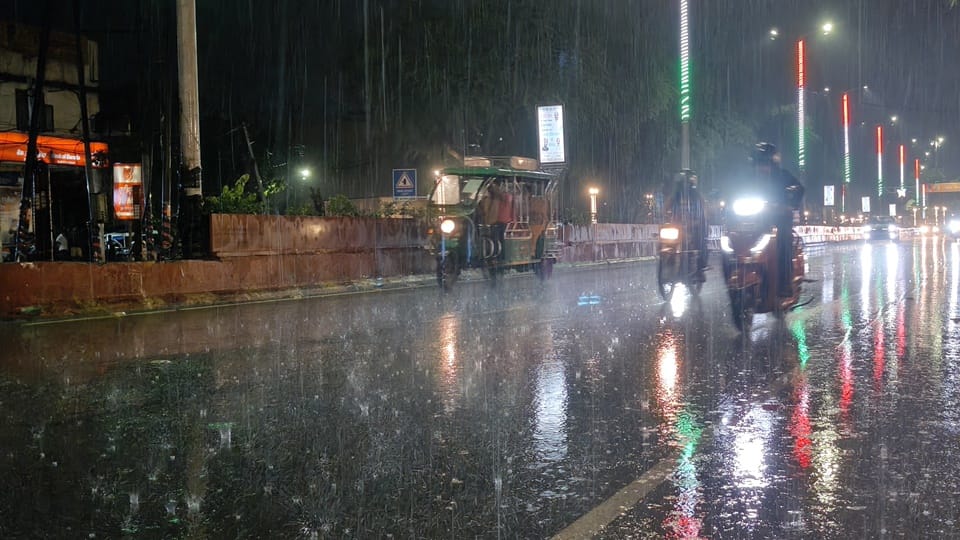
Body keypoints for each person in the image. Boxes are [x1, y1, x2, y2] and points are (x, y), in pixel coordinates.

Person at [751, 142, 804, 297]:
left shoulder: (784, 176)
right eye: (759, 163)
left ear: (773, 164)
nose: (762, 168)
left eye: (765, 164)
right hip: (755, 221)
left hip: (779, 220)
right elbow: (736, 192)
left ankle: (785, 282)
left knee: (783, 240)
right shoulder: (749, 179)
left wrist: (789, 205)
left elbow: (799, 189)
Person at [666, 169, 708, 275]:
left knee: (700, 242)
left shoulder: (697, 196)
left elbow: (704, 210)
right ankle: (669, 261)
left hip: (694, 226)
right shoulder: (676, 196)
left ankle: (699, 269)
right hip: (678, 227)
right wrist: (666, 215)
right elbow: (666, 206)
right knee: (667, 241)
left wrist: (698, 221)